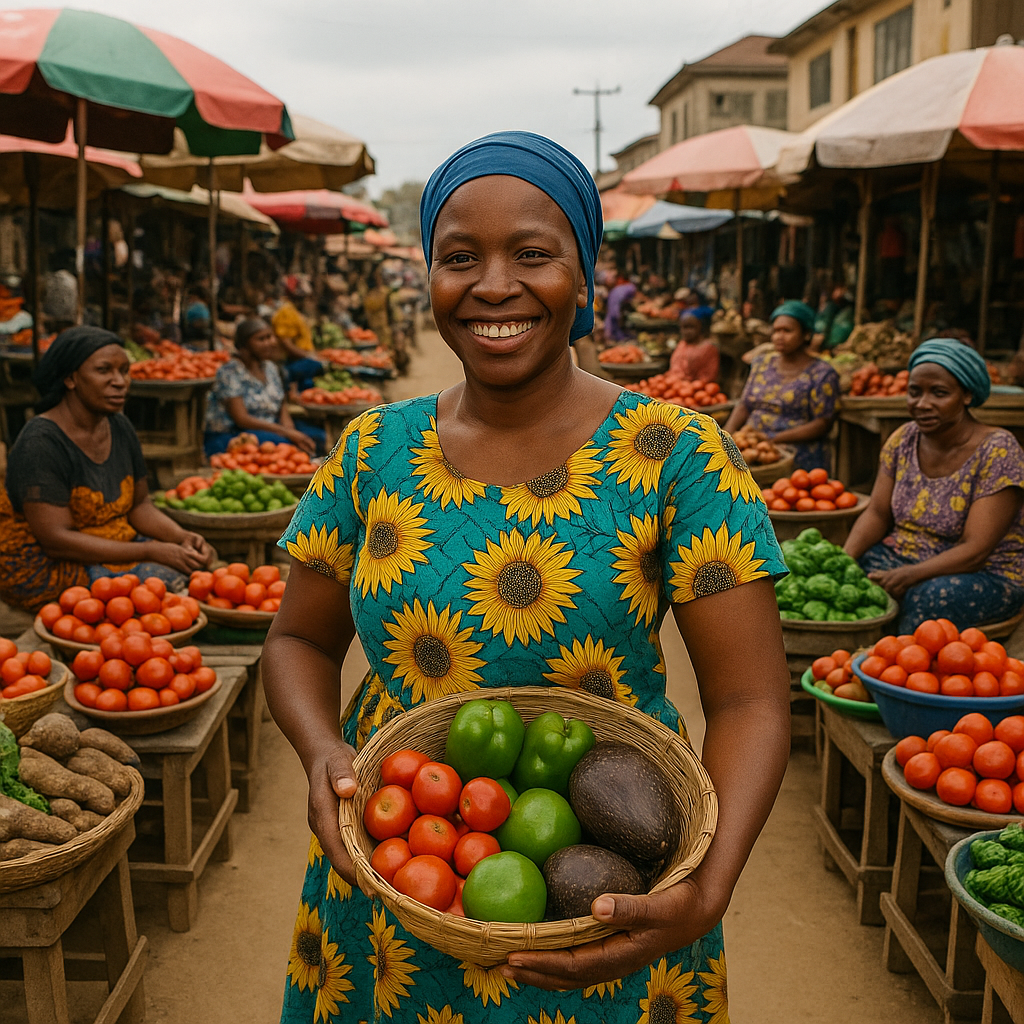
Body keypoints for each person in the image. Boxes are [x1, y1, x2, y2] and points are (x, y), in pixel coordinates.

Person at [263, 130, 791, 1023]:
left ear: (584, 275)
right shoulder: (369, 451)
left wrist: (706, 891)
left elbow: (750, 703)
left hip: (615, 885)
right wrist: (322, 751)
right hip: (403, 865)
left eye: (534, 254)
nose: (495, 284)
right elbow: (298, 639)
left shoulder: (677, 453)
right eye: (459, 256)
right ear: (428, 276)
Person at [0, 327, 213, 612]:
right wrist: (151, 550)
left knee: (199, 563)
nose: (120, 382)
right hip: (45, 564)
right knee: (164, 582)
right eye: (104, 371)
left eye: (124, 371)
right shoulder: (40, 442)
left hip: (106, 543)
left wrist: (180, 536)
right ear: (70, 378)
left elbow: (139, 505)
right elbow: (56, 540)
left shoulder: (119, 426)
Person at [844, 338, 1024, 633]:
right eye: (915, 392)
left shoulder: (999, 451)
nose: (922, 404)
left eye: (939, 393)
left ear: (966, 395)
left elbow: (976, 549)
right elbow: (877, 514)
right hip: (903, 557)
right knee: (849, 577)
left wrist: (910, 575)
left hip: (984, 573)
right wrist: (844, 559)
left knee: (928, 598)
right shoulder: (903, 439)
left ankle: (896, 672)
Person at [723, 300, 840, 472]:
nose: (779, 336)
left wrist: (774, 439)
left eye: (787, 331)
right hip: (751, 445)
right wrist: (726, 436)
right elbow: (744, 405)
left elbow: (822, 423)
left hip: (796, 451)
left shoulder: (822, 373)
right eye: (776, 331)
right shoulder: (762, 363)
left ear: (806, 334)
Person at [203, 318, 323, 457]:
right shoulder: (230, 372)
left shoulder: (271, 368)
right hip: (234, 434)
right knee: (285, 447)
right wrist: (287, 434)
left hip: (272, 429)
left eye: (270, 337)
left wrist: (291, 430)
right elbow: (242, 419)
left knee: (317, 438)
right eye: (261, 339)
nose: (270, 343)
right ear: (244, 345)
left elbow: (281, 406)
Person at [669, 309, 719, 382]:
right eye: (685, 327)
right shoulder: (682, 344)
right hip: (678, 386)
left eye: (691, 327)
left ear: (701, 327)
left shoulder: (709, 348)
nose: (687, 332)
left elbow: (709, 375)